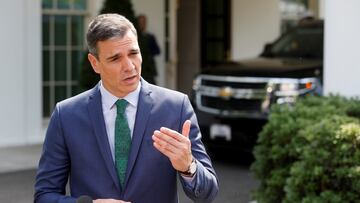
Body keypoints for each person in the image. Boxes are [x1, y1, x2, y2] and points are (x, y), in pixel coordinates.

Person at [34, 13, 218, 203]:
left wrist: (189, 166)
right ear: (95, 63)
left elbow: (208, 194)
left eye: (133, 53)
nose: (129, 66)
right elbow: (44, 196)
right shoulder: (66, 115)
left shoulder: (176, 107)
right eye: (115, 59)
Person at [137, 14, 160, 85]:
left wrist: (148, 53)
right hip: (138, 68)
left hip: (149, 69)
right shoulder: (134, 37)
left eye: (144, 22)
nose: (142, 24)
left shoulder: (150, 37)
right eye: (140, 22)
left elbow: (157, 51)